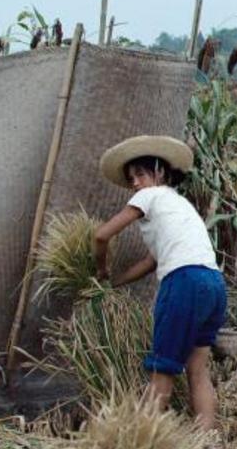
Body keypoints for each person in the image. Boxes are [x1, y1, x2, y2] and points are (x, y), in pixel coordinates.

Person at [94, 135, 227, 430]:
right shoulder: (180, 206)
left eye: (141, 174)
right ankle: (206, 442)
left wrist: (100, 270)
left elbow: (101, 235)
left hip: (184, 283)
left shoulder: (149, 196)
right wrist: (116, 283)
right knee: (197, 370)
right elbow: (151, 262)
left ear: (161, 173)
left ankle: (142, 446)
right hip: (214, 284)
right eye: (131, 180)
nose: (136, 184)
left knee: (162, 370)